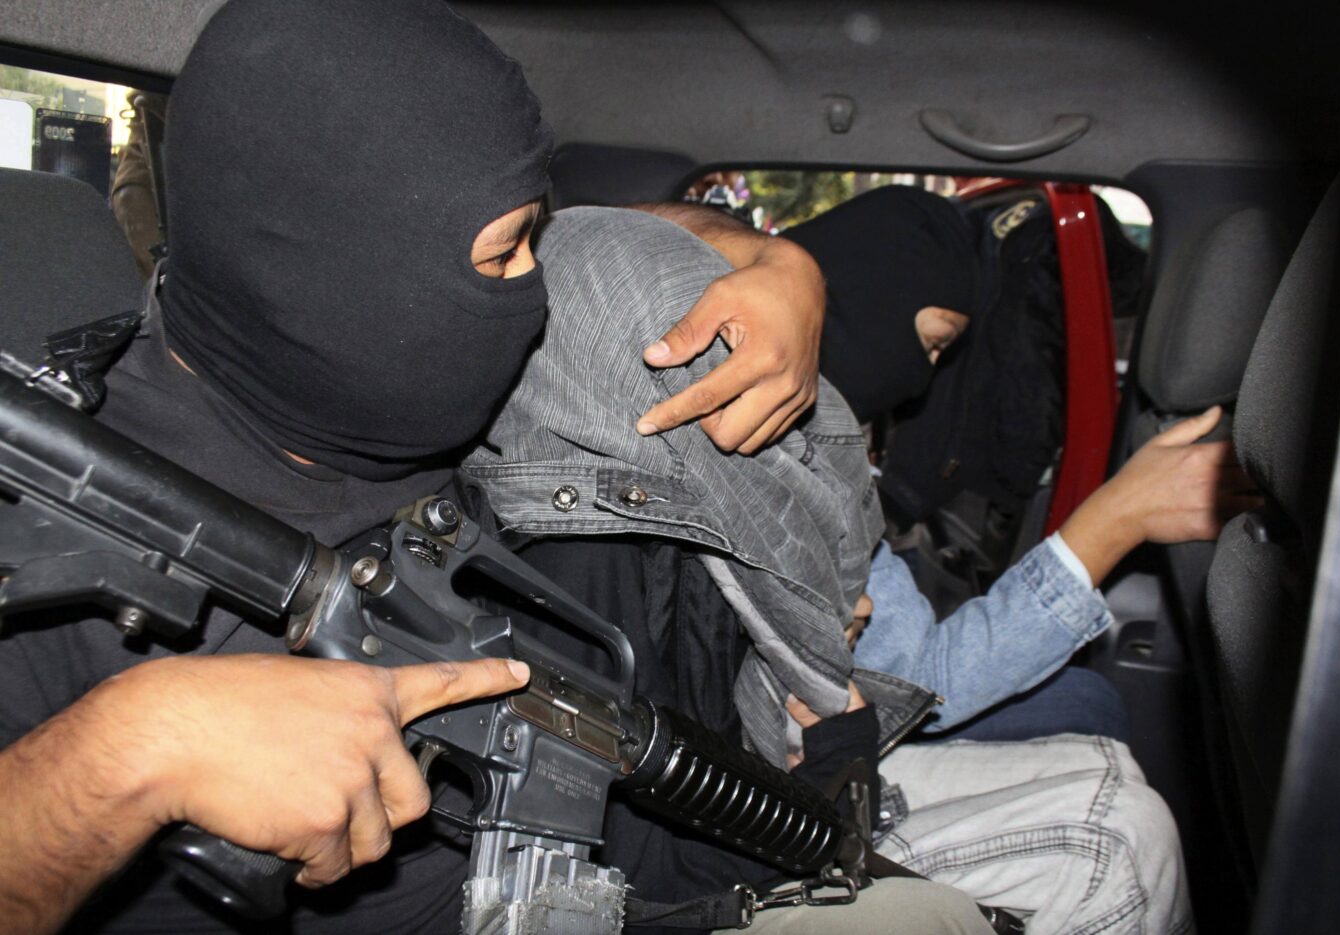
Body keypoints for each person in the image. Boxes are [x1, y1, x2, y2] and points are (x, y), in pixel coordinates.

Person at [0, 2, 830, 933]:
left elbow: (601, 248)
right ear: (343, 271)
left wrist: (776, 262)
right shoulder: (55, 521)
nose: (535, 289)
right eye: (505, 252)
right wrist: (127, 750)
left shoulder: (374, 375)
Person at [464, 204, 1248, 934]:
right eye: (932, 341)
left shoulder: (749, 480)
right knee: (1119, 837)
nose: (924, 376)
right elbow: (659, 877)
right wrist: (839, 733)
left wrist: (785, 267)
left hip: (784, 786)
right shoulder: (586, 565)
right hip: (777, 821)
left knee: (1106, 757)